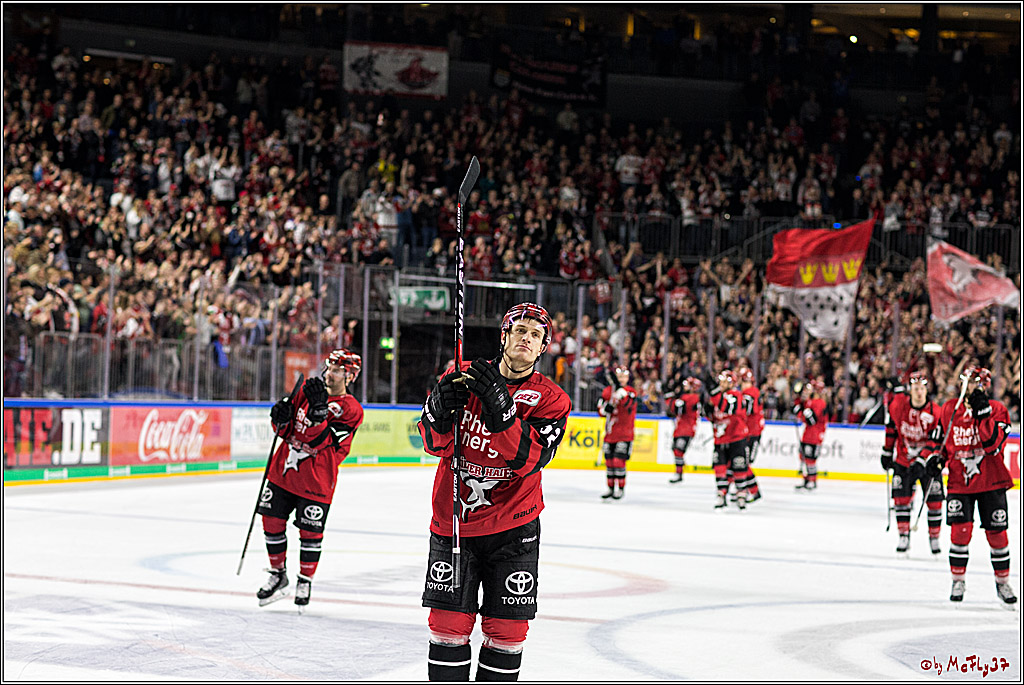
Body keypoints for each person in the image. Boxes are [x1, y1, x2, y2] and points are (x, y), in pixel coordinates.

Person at [418, 302, 572, 681]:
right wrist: (438, 411)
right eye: (519, 330)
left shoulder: (552, 399)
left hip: (514, 528)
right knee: (447, 627)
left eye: (535, 335)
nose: (526, 338)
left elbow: (530, 460)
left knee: (507, 633)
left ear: (542, 348)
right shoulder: (461, 373)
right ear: (504, 336)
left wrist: (502, 414)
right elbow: (433, 443)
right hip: (455, 520)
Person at [257, 349, 365, 611]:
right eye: (329, 367)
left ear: (350, 376)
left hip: (317, 479)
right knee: (271, 520)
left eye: (338, 370)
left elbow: (324, 442)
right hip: (283, 471)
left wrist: (318, 413)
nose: (330, 373)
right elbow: (285, 430)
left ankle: (305, 580)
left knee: (311, 532)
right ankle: (277, 573)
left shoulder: (352, 410)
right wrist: (279, 417)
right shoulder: (308, 390)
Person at [933, 366, 1016, 605]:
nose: (968, 386)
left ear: (984, 385)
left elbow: (992, 446)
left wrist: (983, 414)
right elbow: (941, 440)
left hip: (991, 481)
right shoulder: (950, 408)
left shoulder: (998, 410)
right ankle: (957, 579)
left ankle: (1002, 583)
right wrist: (934, 458)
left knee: (997, 534)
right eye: (966, 382)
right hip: (960, 481)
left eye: (973, 382)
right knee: (960, 532)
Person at [879, 371, 945, 556]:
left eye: (922, 388)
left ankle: (934, 537)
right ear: (910, 389)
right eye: (915, 388)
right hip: (903, 460)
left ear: (926, 390)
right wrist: (886, 451)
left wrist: (922, 460)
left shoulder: (935, 411)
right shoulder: (899, 405)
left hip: (929, 463)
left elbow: (936, 441)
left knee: (934, 501)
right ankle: (903, 536)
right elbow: (892, 427)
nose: (918, 392)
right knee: (901, 499)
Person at [705, 369, 750, 509]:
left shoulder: (736, 395)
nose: (722, 383)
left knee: (739, 467)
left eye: (726, 381)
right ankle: (721, 494)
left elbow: (728, 407)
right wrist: (707, 407)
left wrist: (714, 393)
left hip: (736, 438)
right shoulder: (717, 397)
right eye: (721, 380)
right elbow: (711, 416)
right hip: (720, 439)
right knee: (719, 467)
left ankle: (741, 494)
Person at [598, 365, 637, 499]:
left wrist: (623, 396)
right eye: (619, 376)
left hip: (625, 433)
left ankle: (620, 489)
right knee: (609, 462)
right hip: (610, 433)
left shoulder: (631, 391)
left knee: (618, 461)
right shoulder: (607, 391)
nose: (621, 379)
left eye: (624, 376)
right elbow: (600, 410)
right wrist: (605, 409)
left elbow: (629, 407)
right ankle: (610, 488)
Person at [794, 378, 828, 491]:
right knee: (803, 456)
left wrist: (803, 411)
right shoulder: (810, 401)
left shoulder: (819, 403)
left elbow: (812, 420)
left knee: (810, 458)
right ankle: (807, 479)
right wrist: (800, 409)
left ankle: (812, 481)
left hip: (815, 434)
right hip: (808, 433)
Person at [666, 376, 702, 483]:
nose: (684, 386)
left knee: (678, 450)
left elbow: (676, 409)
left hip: (687, 429)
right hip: (680, 428)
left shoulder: (692, 397)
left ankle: (679, 473)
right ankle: (679, 470)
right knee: (675, 450)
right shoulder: (687, 397)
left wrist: (672, 397)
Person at [737, 366, 764, 503]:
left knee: (744, 463)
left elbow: (745, 410)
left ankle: (753, 490)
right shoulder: (752, 391)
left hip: (751, 433)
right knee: (740, 462)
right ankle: (745, 489)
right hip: (749, 432)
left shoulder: (750, 392)